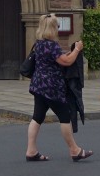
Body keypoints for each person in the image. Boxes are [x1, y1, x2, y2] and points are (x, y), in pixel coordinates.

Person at [24, 14, 92, 162]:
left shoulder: (39, 44)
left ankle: (31, 150)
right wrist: (77, 49)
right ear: (52, 28)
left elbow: (56, 59)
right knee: (65, 116)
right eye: (57, 26)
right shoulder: (51, 45)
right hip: (52, 88)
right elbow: (66, 62)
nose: (58, 29)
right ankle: (75, 150)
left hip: (38, 85)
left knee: (37, 117)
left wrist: (67, 54)